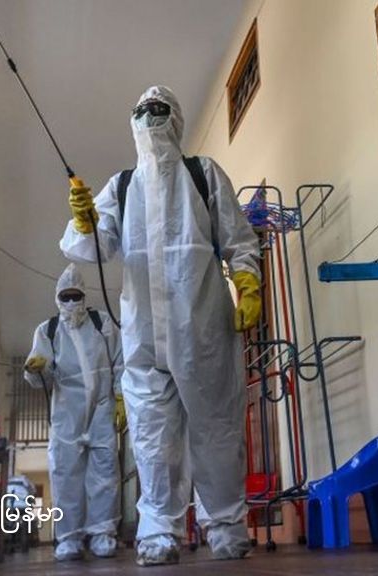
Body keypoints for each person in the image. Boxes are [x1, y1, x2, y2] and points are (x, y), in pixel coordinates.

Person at [60, 85, 262, 566]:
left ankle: (225, 525)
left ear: (175, 118)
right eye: (141, 110)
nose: (149, 118)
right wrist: (85, 222)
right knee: (153, 440)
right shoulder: (121, 185)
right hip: (144, 336)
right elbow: (92, 249)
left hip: (202, 328)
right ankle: (158, 531)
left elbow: (238, 238)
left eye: (158, 109)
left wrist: (248, 282)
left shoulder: (203, 173)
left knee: (216, 430)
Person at [24, 264, 125, 561]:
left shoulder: (102, 323)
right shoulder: (47, 331)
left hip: (102, 410)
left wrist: (121, 397)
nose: (71, 302)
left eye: (75, 295)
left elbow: (120, 363)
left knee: (105, 471)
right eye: (65, 296)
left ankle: (103, 533)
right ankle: (69, 538)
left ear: (84, 295)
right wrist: (34, 370)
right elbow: (40, 377)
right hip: (67, 414)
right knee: (66, 475)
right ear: (57, 297)